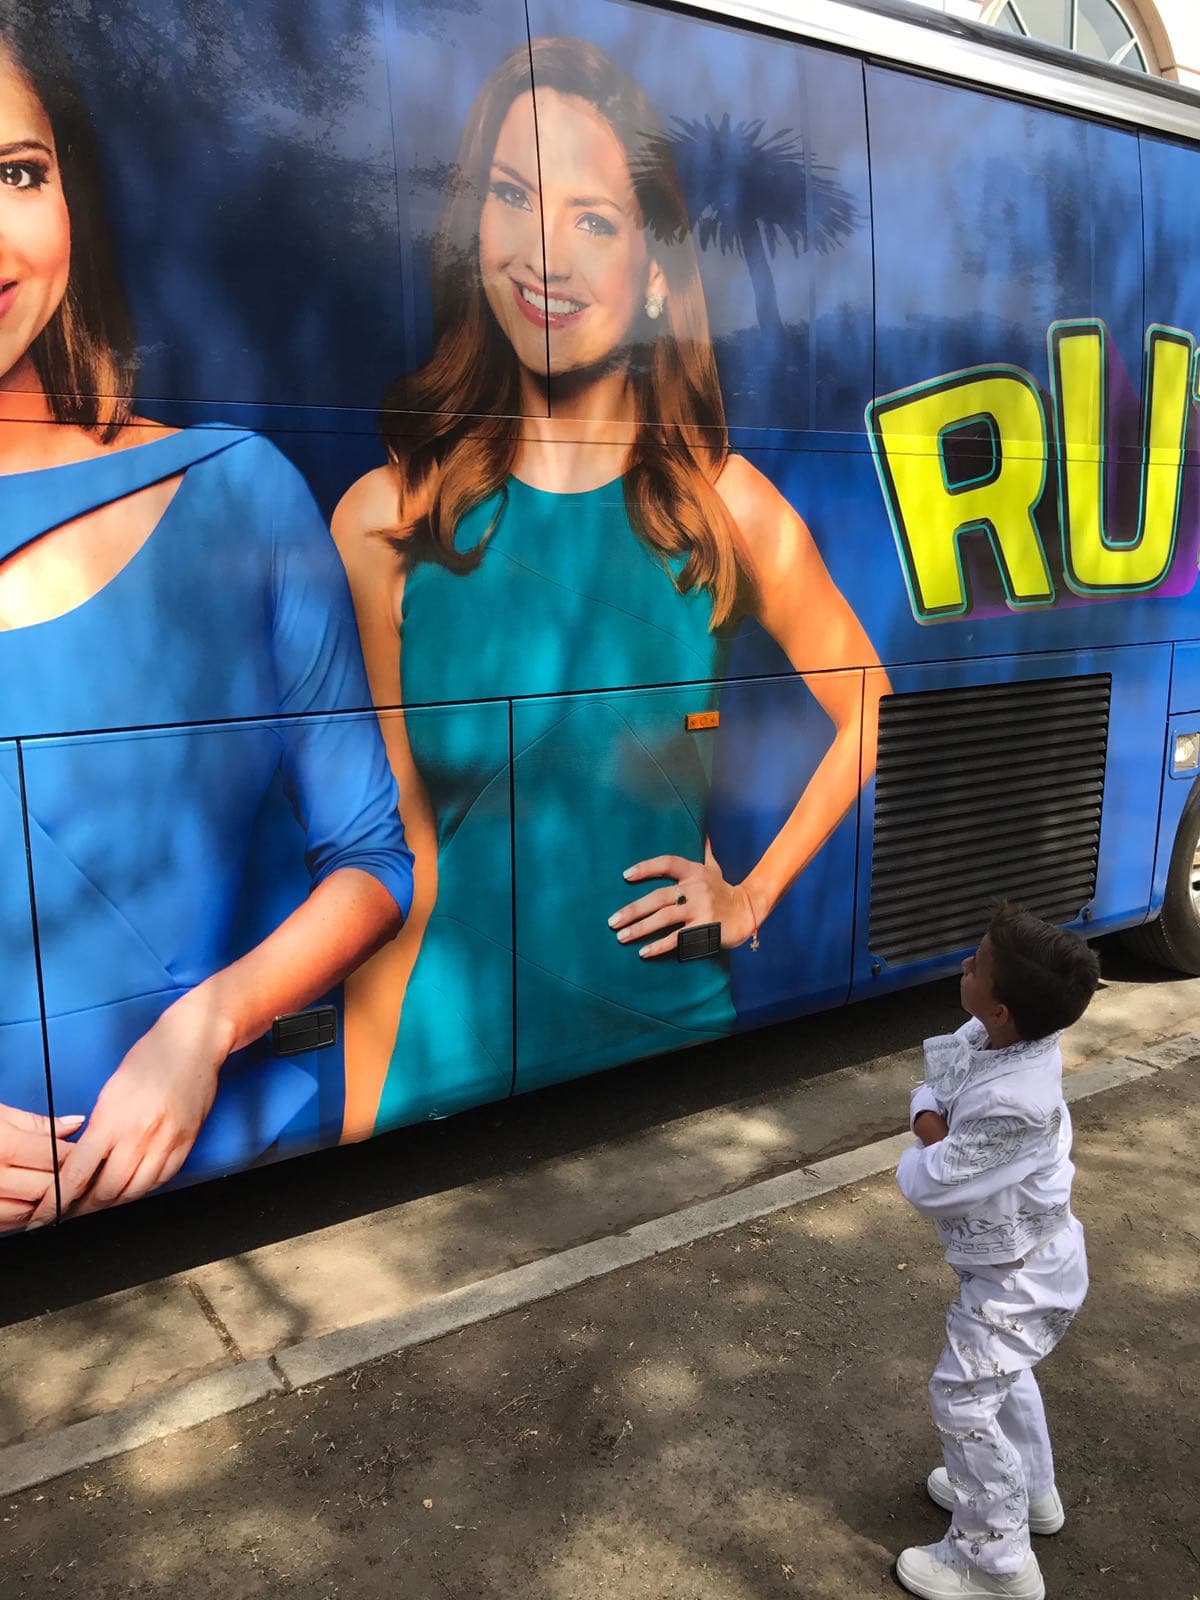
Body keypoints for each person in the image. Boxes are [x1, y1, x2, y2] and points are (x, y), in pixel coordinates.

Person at [334, 35, 887, 1132]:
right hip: (439, 1072)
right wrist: (359, 1119)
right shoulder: (386, 520)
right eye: (512, 196)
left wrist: (751, 894)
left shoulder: (724, 508)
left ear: (655, 276)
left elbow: (871, 707)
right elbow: (404, 856)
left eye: (595, 219)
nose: (546, 252)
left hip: (665, 1059)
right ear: (473, 230)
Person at [0, 1, 413, 1231]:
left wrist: (204, 1028)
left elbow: (372, 859)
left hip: (232, 1205)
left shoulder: (237, 490)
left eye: (16, 173)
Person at [893, 903, 1101, 1600]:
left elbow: (937, 1180)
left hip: (1024, 1277)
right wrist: (934, 1119)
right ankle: (1031, 1494)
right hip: (1012, 1263)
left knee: (961, 1398)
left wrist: (927, 1129)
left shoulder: (1019, 1100)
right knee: (998, 1380)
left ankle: (996, 1562)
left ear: (1004, 1007)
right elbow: (942, 1083)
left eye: (977, 964)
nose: (965, 965)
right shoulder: (995, 1035)